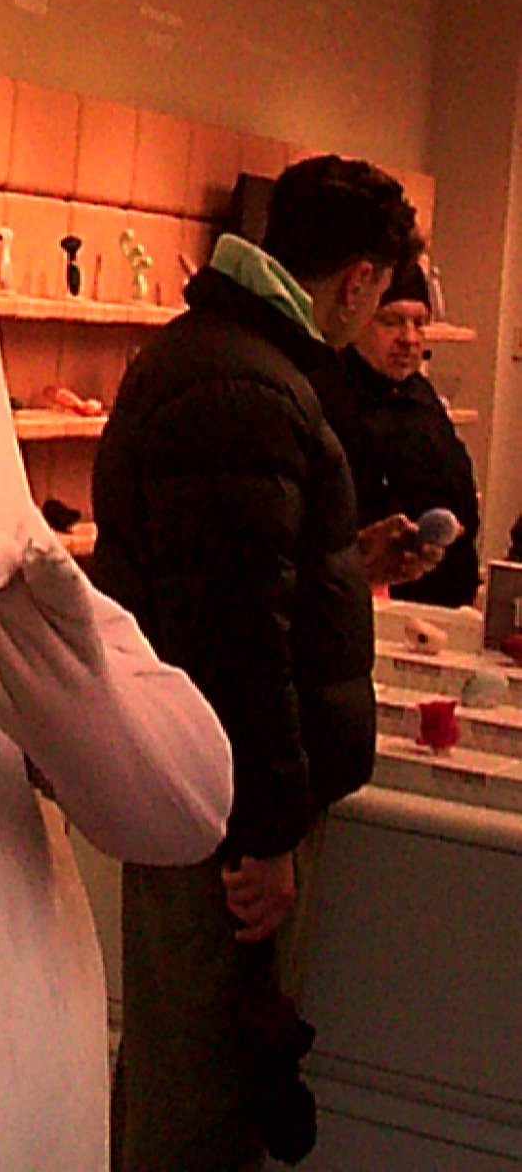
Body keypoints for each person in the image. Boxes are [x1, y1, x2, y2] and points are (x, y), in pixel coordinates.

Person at [89, 153, 424, 1171]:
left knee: (188, 1078)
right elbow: (232, 641)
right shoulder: (245, 387)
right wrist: (266, 833)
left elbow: (239, 581)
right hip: (218, 821)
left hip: (203, 803)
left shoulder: (231, 363)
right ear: (357, 282)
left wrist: (343, 565)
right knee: (198, 1099)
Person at [316, 259, 482, 609]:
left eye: (419, 323)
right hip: (365, 603)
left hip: (443, 606)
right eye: (391, 321)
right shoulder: (328, 397)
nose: (409, 339)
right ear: (359, 319)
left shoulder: (422, 397)